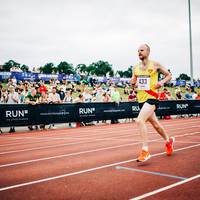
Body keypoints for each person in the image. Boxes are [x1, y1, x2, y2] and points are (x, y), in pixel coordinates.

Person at [131, 44, 174, 162]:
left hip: (152, 97)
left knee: (140, 120)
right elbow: (133, 82)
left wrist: (161, 82)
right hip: (141, 99)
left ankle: (145, 151)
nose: (139, 52)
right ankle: (168, 140)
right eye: (138, 51)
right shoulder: (135, 67)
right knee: (155, 124)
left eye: (142, 50)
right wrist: (133, 83)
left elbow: (169, 75)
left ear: (148, 52)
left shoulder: (155, 64)